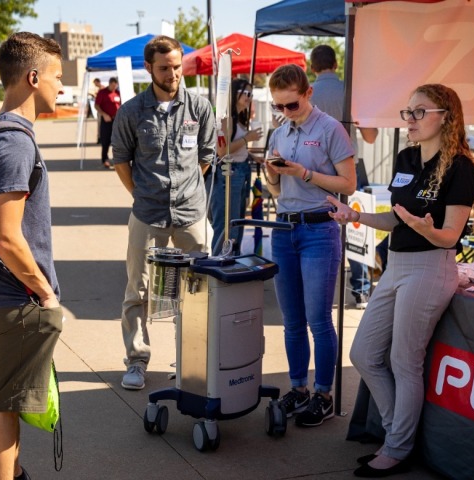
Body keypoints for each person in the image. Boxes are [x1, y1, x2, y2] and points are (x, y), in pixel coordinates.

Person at [327, 83, 474, 477]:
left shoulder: (461, 167)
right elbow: (394, 219)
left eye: (419, 112)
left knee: (403, 361)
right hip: (396, 265)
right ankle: (398, 434)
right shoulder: (407, 157)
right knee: (363, 353)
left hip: (431, 267)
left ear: (446, 117)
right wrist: (355, 217)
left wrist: (421, 227)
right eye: (407, 112)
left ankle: (397, 448)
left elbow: (449, 236)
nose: (409, 120)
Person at [0, 32, 64, 480]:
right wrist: (45, 293)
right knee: (4, 405)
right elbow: (6, 235)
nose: (61, 87)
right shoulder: (14, 142)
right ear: (33, 76)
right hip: (14, 298)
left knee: (5, 400)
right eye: (57, 77)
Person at [111, 35, 215, 390]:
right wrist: (142, 194)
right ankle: (137, 360)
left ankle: (190, 356)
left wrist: (183, 190)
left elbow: (205, 156)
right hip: (148, 214)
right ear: (148, 69)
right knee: (138, 289)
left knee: (198, 289)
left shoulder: (199, 108)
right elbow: (120, 160)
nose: (173, 74)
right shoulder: (131, 111)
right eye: (164, 68)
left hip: (192, 214)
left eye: (176, 66)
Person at [263, 63, 357, 427]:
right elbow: (276, 190)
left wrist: (302, 172)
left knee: (318, 319)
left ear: (308, 94)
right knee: (291, 321)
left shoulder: (331, 129)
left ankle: (323, 394)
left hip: (319, 229)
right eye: (279, 107)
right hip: (285, 228)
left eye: (292, 106)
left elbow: (348, 184)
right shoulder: (280, 132)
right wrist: (272, 174)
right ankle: (298, 388)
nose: (285, 113)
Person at [309, 44, 378, 309]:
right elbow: (371, 136)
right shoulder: (351, 93)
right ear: (336, 65)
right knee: (355, 227)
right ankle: (360, 290)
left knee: (319, 228)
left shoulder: (309, 94)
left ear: (313, 67)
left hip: (317, 171)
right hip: (350, 166)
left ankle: (320, 288)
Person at [208, 78, 263, 255]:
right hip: (229, 174)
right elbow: (222, 151)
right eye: (245, 93)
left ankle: (231, 261)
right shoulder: (226, 118)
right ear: (235, 93)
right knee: (227, 224)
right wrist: (248, 138)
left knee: (237, 222)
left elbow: (234, 150)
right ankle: (221, 263)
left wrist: (251, 155)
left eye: (251, 93)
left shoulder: (239, 117)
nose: (249, 97)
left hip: (240, 171)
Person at [95, 77, 121, 169]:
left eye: (115, 86)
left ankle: (117, 160)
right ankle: (105, 159)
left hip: (117, 120)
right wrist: (104, 114)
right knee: (105, 140)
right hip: (106, 120)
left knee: (117, 141)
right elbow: (97, 105)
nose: (114, 88)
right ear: (109, 84)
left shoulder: (118, 93)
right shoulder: (102, 92)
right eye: (112, 86)